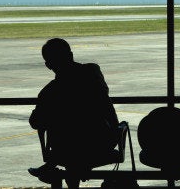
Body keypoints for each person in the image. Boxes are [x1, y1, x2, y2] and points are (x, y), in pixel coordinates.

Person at [28, 38, 119, 187]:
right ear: (70, 55)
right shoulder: (93, 72)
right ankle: (55, 168)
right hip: (102, 144)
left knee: (66, 138)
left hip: (66, 150)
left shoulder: (49, 92)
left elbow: (35, 122)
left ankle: (52, 168)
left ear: (48, 65)